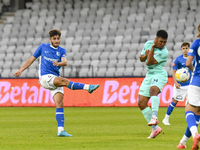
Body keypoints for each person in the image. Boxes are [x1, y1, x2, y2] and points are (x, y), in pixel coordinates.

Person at [13, 29, 99, 137]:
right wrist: (21, 70)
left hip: (54, 78)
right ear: (50, 39)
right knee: (64, 81)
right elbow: (31, 59)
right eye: (54, 39)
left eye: (58, 38)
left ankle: (60, 130)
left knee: (59, 102)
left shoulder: (62, 50)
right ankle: (88, 87)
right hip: (45, 77)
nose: (57, 40)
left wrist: (59, 63)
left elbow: (65, 62)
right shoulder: (43, 47)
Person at [138, 30, 168, 138]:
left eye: (165, 42)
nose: (163, 44)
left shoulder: (164, 52)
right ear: (156, 39)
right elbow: (142, 59)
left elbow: (149, 62)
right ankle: (155, 129)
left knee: (153, 91)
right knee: (141, 103)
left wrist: (151, 50)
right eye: (161, 41)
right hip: (149, 75)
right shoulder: (147, 43)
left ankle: (154, 116)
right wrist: (145, 55)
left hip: (159, 74)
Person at [177, 24, 200, 150]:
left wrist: (194, 71)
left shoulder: (197, 43)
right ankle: (182, 143)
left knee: (189, 109)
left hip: (197, 81)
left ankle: (195, 134)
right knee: (198, 113)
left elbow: (188, 62)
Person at [162, 42, 194, 125]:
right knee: (174, 101)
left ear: (189, 49)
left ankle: (192, 119)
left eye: (186, 48)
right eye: (183, 49)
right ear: (181, 49)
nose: (185, 50)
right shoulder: (178, 59)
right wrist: (176, 83)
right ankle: (166, 119)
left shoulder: (192, 59)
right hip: (179, 85)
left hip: (189, 85)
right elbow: (173, 72)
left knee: (192, 103)